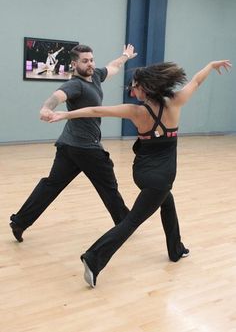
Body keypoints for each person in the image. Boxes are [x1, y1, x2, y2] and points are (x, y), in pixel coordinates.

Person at [48, 59, 231, 287]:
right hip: (160, 178)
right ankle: (94, 258)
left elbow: (95, 110)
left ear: (146, 87)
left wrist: (64, 115)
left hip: (141, 173)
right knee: (132, 221)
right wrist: (211, 65)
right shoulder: (175, 102)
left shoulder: (135, 111)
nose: (132, 90)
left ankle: (176, 249)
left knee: (167, 202)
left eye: (134, 86)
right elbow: (196, 80)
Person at [9, 43, 137, 242]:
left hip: (69, 147)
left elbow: (113, 67)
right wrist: (46, 108)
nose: (90, 64)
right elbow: (56, 97)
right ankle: (124, 223)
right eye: (85, 61)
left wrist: (125, 56)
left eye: (92, 60)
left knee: (51, 185)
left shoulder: (95, 76)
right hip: (86, 148)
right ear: (74, 63)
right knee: (108, 187)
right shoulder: (75, 84)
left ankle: (20, 222)